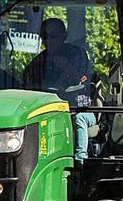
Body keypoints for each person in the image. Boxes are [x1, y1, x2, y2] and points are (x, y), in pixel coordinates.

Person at [23, 18, 95, 161]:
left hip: (78, 109)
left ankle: (81, 162)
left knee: (79, 119)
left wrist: (66, 68)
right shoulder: (36, 65)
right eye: (45, 37)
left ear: (64, 36)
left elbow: (83, 78)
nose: (49, 41)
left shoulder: (78, 55)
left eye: (53, 36)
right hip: (47, 113)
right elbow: (27, 91)